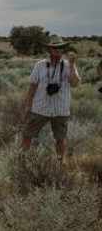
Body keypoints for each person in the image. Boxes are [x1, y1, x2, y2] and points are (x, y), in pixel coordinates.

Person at [21, 34, 81, 162]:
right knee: (27, 135)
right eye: (55, 48)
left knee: (60, 139)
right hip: (40, 108)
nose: (58, 51)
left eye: (60, 48)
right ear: (50, 49)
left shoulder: (68, 65)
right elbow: (32, 87)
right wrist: (28, 106)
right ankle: (22, 161)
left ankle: (60, 163)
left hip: (60, 109)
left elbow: (75, 83)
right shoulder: (40, 65)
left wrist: (72, 65)